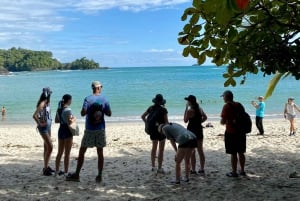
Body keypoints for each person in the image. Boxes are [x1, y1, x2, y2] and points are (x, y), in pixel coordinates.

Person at [66, 81, 111, 182]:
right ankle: (99, 176)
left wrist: (89, 109)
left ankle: (77, 174)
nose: (101, 88)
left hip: (90, 129)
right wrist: (102, 109)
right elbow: (109, 113)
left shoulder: (87, 99)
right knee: (100, 153)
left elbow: (82, 113)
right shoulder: (104, 99)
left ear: (92, 88)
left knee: (82, 152)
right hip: (100, 129)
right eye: (101, 87)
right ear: (99, 88)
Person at [220, 90, 246, 177]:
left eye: (223, 96)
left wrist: (225, 121)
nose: (223, 98)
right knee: (241, 152)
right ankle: (242, 170)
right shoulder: (239, 104)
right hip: (241, 131)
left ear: (226, 97)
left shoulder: (226, 106)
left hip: (231, 132)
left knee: (233, 153)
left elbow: (222, 121)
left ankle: (234, 172)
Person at [141, 94, 168, 174]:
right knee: (161, 150)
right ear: (161, 101)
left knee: (154, 148)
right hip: (161, 131)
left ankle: (153, 167)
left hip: (153, 130)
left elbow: (143, 116)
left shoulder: (151, 108)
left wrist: (147, 123)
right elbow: (166, 122)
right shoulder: (164, 110)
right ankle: (159, 168)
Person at [32, 87, 54, 176]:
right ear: (47, 95)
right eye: (50, 94)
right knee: (50, 147)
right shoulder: (42, 103)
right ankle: (45, 169)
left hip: (48, 127)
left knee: (46, 147)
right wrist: (40, 124)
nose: (50, 96)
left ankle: (46, 166)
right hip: (44, 128)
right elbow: (34, 115)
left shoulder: (47, 103)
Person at [183, 95, 207, 174]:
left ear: (190, 102)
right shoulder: (199, 109)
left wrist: (186, 108)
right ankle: (202, 168)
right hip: (199, 130)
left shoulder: (190, 110)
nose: (187, 102)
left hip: (191, 131)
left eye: (188, 101)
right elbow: (205, 117)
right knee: (200, 150)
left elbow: (185, 120)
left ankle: (193, 169)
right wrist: (199, 122)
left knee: (192, 151)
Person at [55, 94, 76, 176]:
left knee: (59, 152)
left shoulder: (59, 109)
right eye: (71, 100)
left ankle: (56, 171)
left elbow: (57, 121)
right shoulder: (68, 110)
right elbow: (70, 122)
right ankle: (66, 172)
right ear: (68, 100)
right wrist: (74, 119)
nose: (71, 101)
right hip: (67, 131)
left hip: (61, 130)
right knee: (67, 153)